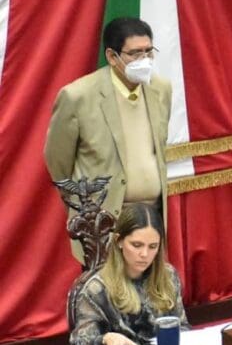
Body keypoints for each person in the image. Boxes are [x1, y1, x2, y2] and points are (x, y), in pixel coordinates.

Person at [45, 17, 172, 263]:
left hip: (152, 216)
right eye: (135, 54)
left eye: (148, 51)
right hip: (103, 222)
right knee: (108, 287)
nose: (144, 60)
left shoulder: (161, 89)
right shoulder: (78, 96)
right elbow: (57, 161)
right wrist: (83, 206)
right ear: (112, 57)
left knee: (150, 286)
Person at [68, 203, 188, 345]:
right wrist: (105, 339)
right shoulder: (96, 289)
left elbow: (183, 329)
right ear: (119, 241)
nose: (144, 254)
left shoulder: (168, 276)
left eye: (153, 246)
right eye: (136, 245)